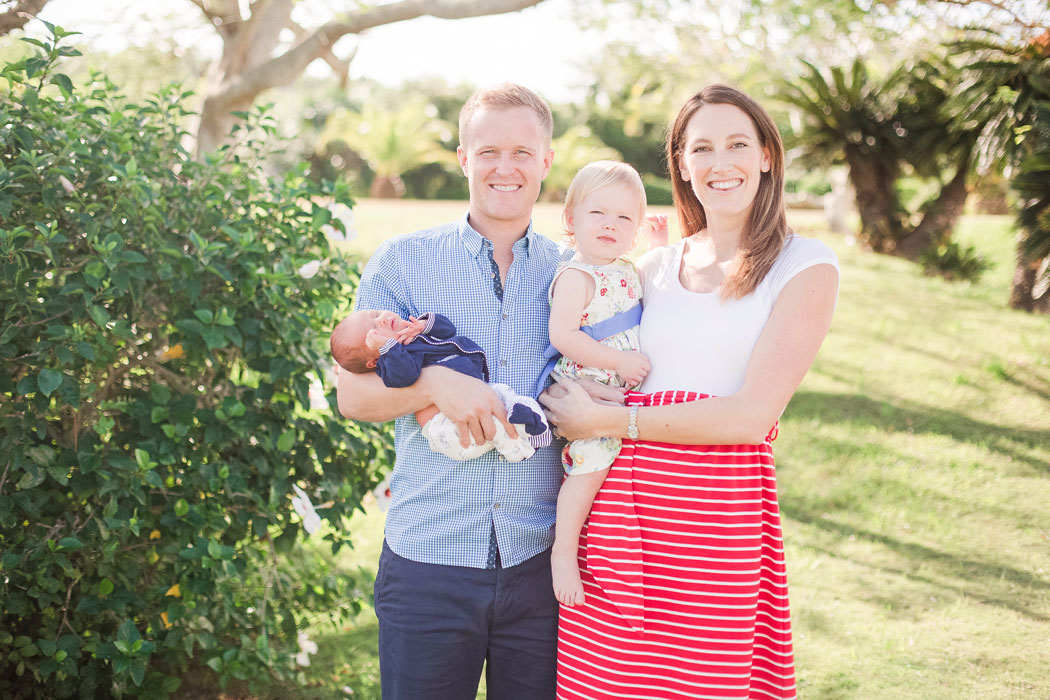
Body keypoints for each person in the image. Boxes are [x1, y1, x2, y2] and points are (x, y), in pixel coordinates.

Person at [540, 85, 840, 700]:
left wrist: (608, 423)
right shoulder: (648, 266)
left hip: (712, 520)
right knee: (604, 684)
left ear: (766, 155)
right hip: (620, 519)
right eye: (701, 147)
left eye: (737, 143)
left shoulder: (804, 265)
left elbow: (752, 417)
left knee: (702, 681)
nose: (719, 162)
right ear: (681, 163)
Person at [336, 83, 565, 700]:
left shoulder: (573, 274)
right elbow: (353, 399)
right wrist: (435, 380)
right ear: (464, 158)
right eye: (488, 150)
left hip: (542, 567)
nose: (505, 167)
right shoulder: (403, 262)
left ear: (546, 161)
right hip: (428, 561)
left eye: (522, 152)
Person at [545, 160, 666, 607]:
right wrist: (617, 361)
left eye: (624, 217)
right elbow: (564, 336)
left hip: (622, 384)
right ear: (571, 220)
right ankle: (564, 550)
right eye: (598, 213)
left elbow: (651, 296)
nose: (610, 225)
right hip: (587, 381)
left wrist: (659, 245)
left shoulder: (625, 268)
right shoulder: (577, 276)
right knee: (591, 464)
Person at [329, 308, 551, 461]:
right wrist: (389, 348)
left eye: (376, 314)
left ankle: (523, 416)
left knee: (503, 396)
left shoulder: (414, 335)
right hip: (444, 423)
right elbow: (406, 375)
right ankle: (517, 448)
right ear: (374, 359)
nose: (383, 320)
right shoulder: (390, 366)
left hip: (481, 389)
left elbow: (448, 330)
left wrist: (423, 326)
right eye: (374, 329)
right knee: (484, 433)